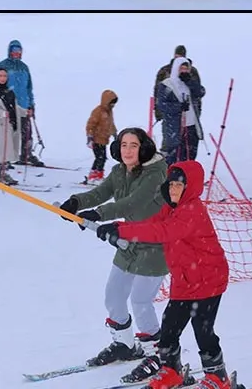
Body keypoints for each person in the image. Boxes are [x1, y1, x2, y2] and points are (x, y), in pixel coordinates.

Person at [96, 161, 233, 389]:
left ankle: (218, 377)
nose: (173, 189)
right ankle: (171, 370)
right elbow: (151, 223)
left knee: (203, 329)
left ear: (190, 187)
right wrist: (117, 226)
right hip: (185, 279)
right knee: (170, 327)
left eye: (179, 185)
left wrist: (122, 232)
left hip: (209, 279)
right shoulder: (171, 208)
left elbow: (162, 232)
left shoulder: (192, 211)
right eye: (171, 185)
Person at [58, 128, 169, 367]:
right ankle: (125, 345)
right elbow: (102, 191)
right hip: (128, 242)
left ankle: (158, 355)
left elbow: (133, 203)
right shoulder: (119, 171)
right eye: (123, 144)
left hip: (156, 245)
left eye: (133, 145)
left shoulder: (156, 174)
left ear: (144, 148)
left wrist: (99, 214)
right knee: (114, 296)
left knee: (140, 302)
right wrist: (77, 202)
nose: (127, 150)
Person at [0, 40, 42, 167]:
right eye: (14, 50)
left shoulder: (24, 67)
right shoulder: (3, 66)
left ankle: (26, 155)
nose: (16, 53)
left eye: (19, 51)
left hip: (23, 105)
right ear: (10, 51)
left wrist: (31, 104)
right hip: (8, 105)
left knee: (27, 133)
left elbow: (28, 88)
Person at [155, 57, 206, 164]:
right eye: (181, 68)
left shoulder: (189, 84)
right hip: (175, 128)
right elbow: (162, 105)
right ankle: (172, 179)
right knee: (174, 158)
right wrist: (178, 107)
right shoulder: (167, 85)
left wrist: (189, 82)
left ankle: (187, 178)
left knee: (190, 156)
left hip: (191, 127)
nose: (184, 71)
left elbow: (201, 92)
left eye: (186, 69)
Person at [153, 45, 202, 123]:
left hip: (189, 112)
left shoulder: (192, 71)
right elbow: (158, 92)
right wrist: (158, 112)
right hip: (170, 112)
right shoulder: (165, 71)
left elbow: (198, 93)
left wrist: (198, 111)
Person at [85, 90, 120, 182]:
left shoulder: (109, 112)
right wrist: (90, 136)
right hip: (96, 139)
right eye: (111, 103)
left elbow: (111, 124)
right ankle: (94, 176)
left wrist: (115, 134)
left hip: (104, 140)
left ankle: (98, 175)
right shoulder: (98, 111)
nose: (113, 105)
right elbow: (91, 124)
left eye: (114, 104)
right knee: (100, 158)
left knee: (102, 158)